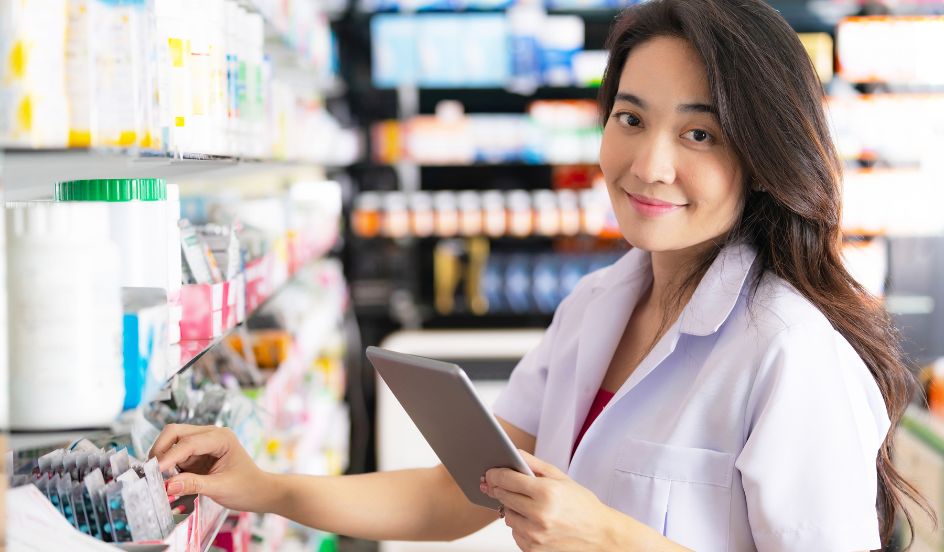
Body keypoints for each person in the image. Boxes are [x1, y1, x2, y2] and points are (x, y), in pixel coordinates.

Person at [150, 0, 932, 550]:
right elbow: (462, 493)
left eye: (701, 132)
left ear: (762, 158)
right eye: (630, 119)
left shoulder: (792, 355)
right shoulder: (598, 305)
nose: (649, 165)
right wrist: (266, 486)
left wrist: (608, 539)